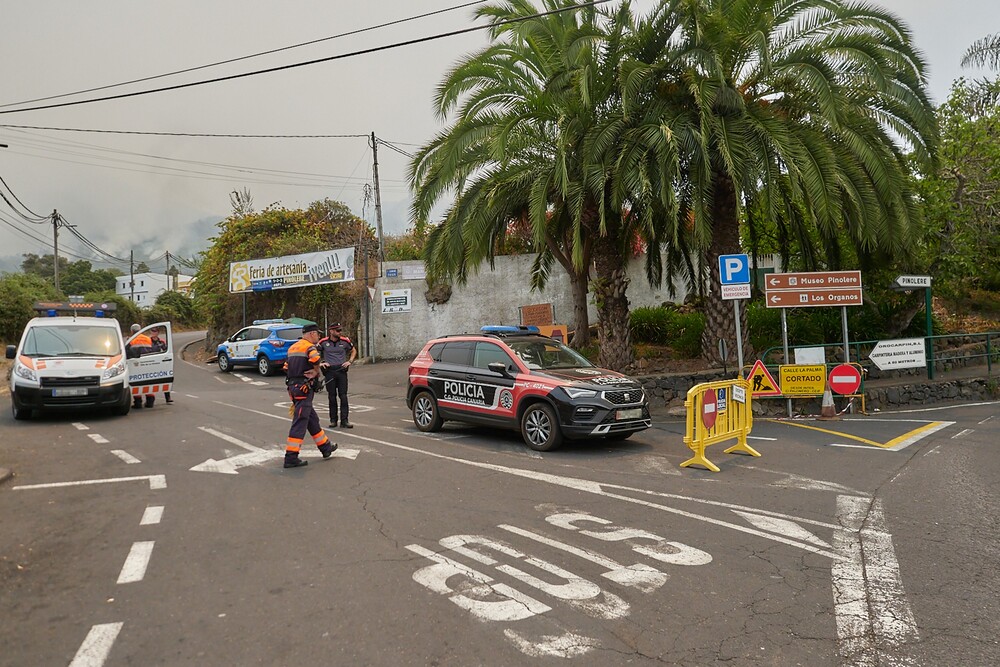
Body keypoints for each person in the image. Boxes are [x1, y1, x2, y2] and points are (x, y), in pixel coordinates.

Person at [281, 323, 336, 469]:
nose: (318, 337)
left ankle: (326, 447)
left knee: (311, 418)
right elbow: (315, 360)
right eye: (317, 334)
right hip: (304, 388)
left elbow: (286, 367)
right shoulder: (309, 347)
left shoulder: (293, 347)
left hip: (293, 388)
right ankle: (291, 457)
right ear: (311, 334)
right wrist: (316, 372)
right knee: (300, 421)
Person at [318, 322, 357, 428]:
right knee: (332, 397)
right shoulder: (323, 342)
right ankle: (333, 420)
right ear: (331, 331)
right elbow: (313, 353)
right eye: (337, 330)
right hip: (329, 371)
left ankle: (344, 420)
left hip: (341, 371)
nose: (340, 332)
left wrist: (350, 361)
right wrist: (320, 363)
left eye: (340, 330)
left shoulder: (345, 341)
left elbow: (353, 350)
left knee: (343, 396)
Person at [127, 324, 156, 409]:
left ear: (132, 331)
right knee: (148, 382)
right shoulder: (148, 338)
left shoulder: (131, 340)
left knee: (137, 382)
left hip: (136, 363)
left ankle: (138, 403)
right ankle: (150, 402)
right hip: (148, 363)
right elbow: (153, 349)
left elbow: (127, 352)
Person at [148, 327, 173, 404]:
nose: (153, 333)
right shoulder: (148, 341)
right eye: (152, 331)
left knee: (164, 380)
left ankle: (168, 397)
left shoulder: (161, 341)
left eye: (155, 331)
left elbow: (166, 350)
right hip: (151, 362)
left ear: (158, 332)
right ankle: (151, 400)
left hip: (159, 362)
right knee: (151, 381)